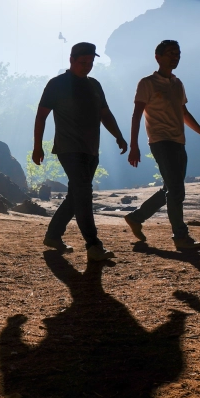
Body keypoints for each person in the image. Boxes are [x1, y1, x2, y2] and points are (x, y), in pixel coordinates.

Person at [32, 42, 128, 261]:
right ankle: (94, 245)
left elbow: (105, 113)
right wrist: (38, 146)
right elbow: (41, 116)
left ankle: (53, 236)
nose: (87, 66)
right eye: (83, 62)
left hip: (91, 150)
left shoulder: (94, 85)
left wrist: (118, 135)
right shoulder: (57, 84)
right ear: (71, 60)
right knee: (83, 194)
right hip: (69, 149)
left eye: (91, 63)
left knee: (76, 195)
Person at [125, 39, 200, 251]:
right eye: (170, 53)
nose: (175, 57)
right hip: (160, 141)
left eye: (177, 53)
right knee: (176, 190)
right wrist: (134, 145)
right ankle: (180, 237)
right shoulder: (147, 83)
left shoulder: (177, 84)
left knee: (170, 188)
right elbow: (137, 115)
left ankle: (136, 218)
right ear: (157, 57)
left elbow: (183, 113)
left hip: (178, 142)